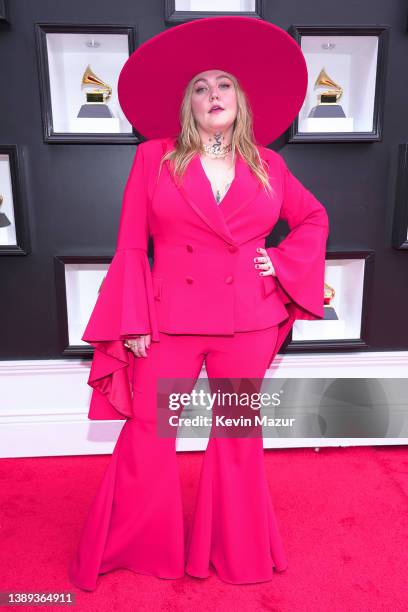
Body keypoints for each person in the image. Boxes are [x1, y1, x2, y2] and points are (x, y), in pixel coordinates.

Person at [68, 17, 329, 590]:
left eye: (224, 85)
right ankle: (140, 549)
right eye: (201, 87)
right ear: (188, 104)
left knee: (236, 436)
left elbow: (313, 219)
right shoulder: (154, 159)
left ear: (241, 100)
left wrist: (280, 265)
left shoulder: (269, 164)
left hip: (248, 325)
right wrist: (132, 318)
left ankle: (234, 554)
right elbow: (133, 245)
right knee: (152, 432)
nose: (214, 95)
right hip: (171, 322)